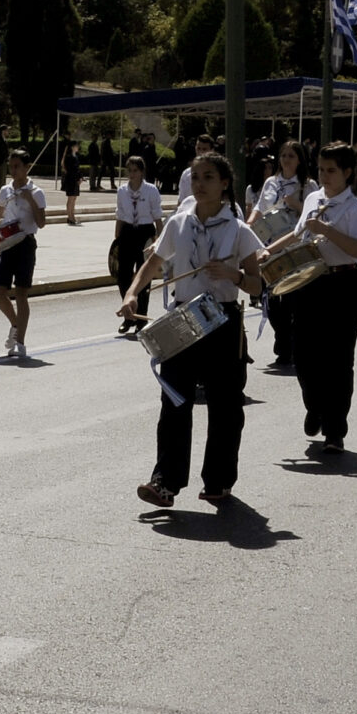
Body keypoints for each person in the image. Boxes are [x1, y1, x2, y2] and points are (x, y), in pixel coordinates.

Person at [123, 151, 259, 510]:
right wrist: (133, 293)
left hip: (224, 321)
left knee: (225, 407)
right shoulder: (178, 223)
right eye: (196, 177)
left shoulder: (238, 230)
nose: (200, 184)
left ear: (225, 184)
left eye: (209, 177)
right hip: (184, 318)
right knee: (174, 402)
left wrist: (234, 276)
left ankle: (218, 482)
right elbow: (153, 262)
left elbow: (259, 285)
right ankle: (165, 483)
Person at [289, 144, 357, 456]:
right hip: (310, 282)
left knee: (338, 360)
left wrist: (326, 229)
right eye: (321, 169)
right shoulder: (313, 198)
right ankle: (316, 406)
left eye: (331, 170)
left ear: (347, 173)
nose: (324, 176)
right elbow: (299, 234)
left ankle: (335, 430)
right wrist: (268, 249)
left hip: (343, 283)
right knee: (303, 354)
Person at [0, 147, 46, 358]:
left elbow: (42, 222)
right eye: (11, 166)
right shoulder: (5, 190)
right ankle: (16, 324)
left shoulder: (36, 192)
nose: (13, 170)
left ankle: (20, 341)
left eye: (17, 166)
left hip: (25, 243)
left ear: (27, 167)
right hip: (6, 244)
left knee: (21, 292)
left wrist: (30, 200)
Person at [252, 141, 308, 371]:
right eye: (283, 155)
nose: (286, 159)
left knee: (295, 300)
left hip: (295, 246)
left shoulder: (307, 185)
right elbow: (259, 206)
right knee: (273, 302)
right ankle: (284, 343)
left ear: (299, 160)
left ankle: (290, 348)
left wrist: (297, 204)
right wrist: (249, 221)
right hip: (270, 245)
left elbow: (313, 214)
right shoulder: (270, 182)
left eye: (291, 155)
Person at [111, 155, 163, 334]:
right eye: (129, 171)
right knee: (123, 275)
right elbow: (120, 214)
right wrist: (117, 236)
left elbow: (157, 215)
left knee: (143, 276)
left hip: (145, 232)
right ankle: (128, 316)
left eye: (135, 170)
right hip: (127, 232)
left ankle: (142, 317)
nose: (132, 174)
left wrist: (159, 239)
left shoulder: (151, 190)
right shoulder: (122, 191)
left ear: (141, 172)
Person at [61, 138, 84, 225]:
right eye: (76, 146)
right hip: (71, 179)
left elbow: (78, 169)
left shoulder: (76, 156)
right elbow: (71, 170)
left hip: (75, 180)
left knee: (74, 198)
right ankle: (69, 217)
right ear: (72, 147)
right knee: (70, 198)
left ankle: (72, 216)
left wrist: (80, 178)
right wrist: (78, 177)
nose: (78, 147)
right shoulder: (69, 157)